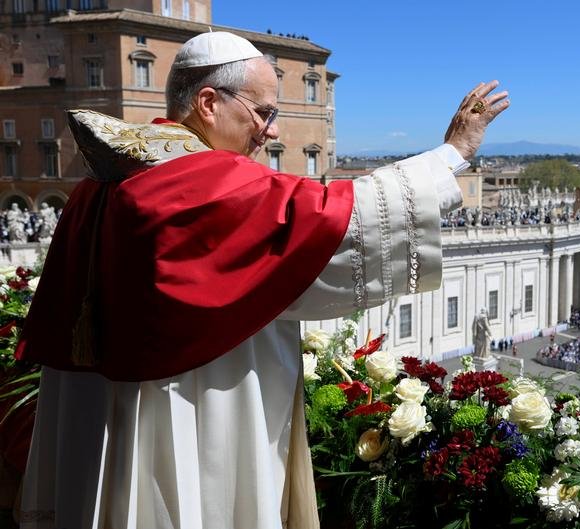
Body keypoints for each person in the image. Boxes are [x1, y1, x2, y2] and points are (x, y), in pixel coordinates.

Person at [15, 31, 508, 529]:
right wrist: (452, 153)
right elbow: (333, 218)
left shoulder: (110, 175)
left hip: (105, 409)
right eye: (263, 112)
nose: (270, 132)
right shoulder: (197, 182)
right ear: (209, 102)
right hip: (190, 406)